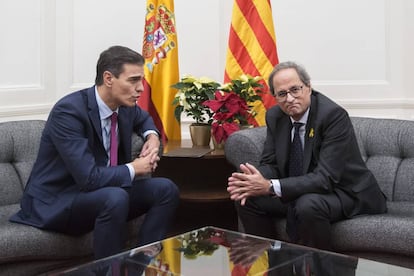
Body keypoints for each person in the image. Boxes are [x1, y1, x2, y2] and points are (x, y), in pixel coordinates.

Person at [10, 45, 179, 259]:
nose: (141, 88)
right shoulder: (69, 112)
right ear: (109, 78)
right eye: (133, 80)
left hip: (101, 192)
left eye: (141, 80)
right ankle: (110, 271)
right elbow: (88, 178)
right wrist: (134, 169)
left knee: (166, 189)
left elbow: (143, 119)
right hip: (59, 200)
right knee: (115, 197)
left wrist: (152, 137)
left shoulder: (124, 106)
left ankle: (141, 263)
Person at [227, 61, 387, 251]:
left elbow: (325, 179)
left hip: (345, 191)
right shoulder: (276, 117)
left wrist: (270, 186)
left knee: (307, 205)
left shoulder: (333, 116)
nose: (290, 98)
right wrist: (253, 180)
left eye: (295, 89)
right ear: (275, 97)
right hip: (303, 189)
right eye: (282, 94)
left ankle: (321, 268)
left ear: (308, 87)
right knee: (246, 196)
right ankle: (273, 262)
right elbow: (271, 163)